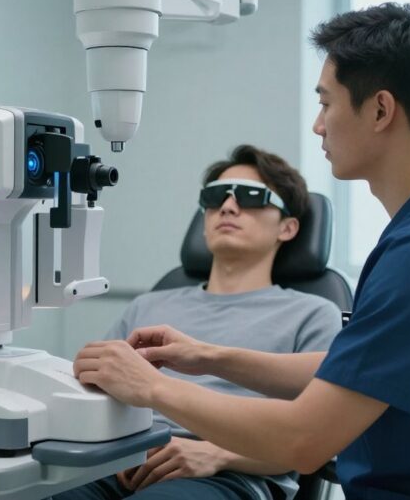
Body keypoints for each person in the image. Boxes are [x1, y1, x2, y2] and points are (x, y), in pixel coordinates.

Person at [72, 3, 410, 500]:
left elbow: (303, 441)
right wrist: (208, 356)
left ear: (381, 110)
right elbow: (357, 368)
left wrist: (153, 387)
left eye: (326, 103)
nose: (318, 125)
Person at [58, 145, 343, 500]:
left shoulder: (313, 314)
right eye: (215, 196)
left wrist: (218, 453)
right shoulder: (149, 305)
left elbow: (319, 432)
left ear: (287, 227)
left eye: (250, 197)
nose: (228, 207)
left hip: (227, 474)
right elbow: (92, 392)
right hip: (118, 462)